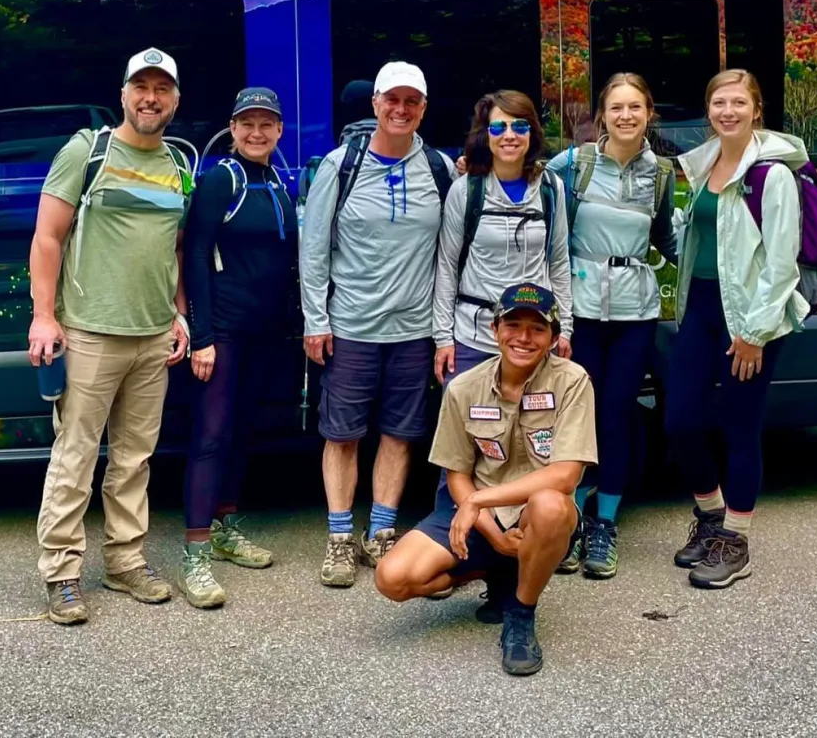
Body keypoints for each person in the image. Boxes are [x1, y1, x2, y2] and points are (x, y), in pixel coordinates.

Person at [28, 47, 191, 625]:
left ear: (175, 98)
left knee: (134, 458)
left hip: (152, 336)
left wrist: (178, 314)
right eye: (141, 87)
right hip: (90, 332)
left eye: (162, 89)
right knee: (75, 455)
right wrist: (44, 317)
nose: (151, 98)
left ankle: (125, 561)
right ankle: (62, 574)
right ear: (123, 93)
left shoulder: (178, 164)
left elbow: (171, 248)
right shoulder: (86, 151)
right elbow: (48, 237)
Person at [375, 282, 596, 677]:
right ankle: (494, 568)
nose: (523, 337)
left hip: (537, 515)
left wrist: (479, 501)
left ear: (553, 338)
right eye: (513, 325)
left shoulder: (572, 381)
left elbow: (566, 475)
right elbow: (457, 475)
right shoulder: (462, 387)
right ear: (495, 329)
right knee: (392, 579)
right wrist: (490, 529)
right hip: (474, 514)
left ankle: (520, 614)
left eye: (537, 328)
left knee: (549, 503)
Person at [300, 61, 455, 587]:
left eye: (412, 101)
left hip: (413, 328)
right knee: (341, 435)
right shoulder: (341, 165)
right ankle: (341, 537)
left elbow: (447, 255)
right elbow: (314, 249)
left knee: (400, 432)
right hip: (351, 325)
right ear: (375, 104)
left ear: (423, 108)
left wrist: (442, 331)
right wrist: (315, 319)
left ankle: (382, 530)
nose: (401, 109)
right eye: (392, 99)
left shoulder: (438, 168)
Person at [665, 69, 808, 588]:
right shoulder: (705, 167)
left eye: (738, 103)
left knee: (738, 428)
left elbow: (782, 263)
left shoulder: (772, 175)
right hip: (702, 310)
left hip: (750, 319)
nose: (728, 111)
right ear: (709, 111)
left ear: (756, 110)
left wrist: (754, 332)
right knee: (680, 421)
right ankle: (710, 518)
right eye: (719, 102)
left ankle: (736, 540)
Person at [545, 73, 678, 579]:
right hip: (578, 315)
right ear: (602, 115)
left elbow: (667, 237)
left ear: (649, 115)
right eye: (616, 107)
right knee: (575, 421)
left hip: (634, 314)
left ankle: (605, 524)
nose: (626, 116)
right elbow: (523, 181)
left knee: (617, 416)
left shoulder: (660, 175)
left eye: (635, 108)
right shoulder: (575, 165)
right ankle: (572, 518)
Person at [178, 87, 299, 608]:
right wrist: (201, 337)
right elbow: (196, 254)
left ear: (278, 131)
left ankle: (227, 529)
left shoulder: (278, 181)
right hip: (222, 332)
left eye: (266, 124)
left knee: (242, 432)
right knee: (210, 435)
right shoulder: (219, 180)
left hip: (263, 332)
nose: (256, 132)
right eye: (246, 123)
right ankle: (196, 555)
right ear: (232, 127)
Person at [433, 90, 573, 513]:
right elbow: (446, 267)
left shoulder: (551, 188)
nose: (509, 135)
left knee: (533, 438)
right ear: (485, 134)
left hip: (533, 337)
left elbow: (559, 261)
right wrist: (443, 338)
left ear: (532, 132)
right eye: (498, 126)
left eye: (519, 126)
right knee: (466, 444)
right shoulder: (467, 190)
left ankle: (534, 532)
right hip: (475, 333)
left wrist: (563, 327)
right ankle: (454, 530)